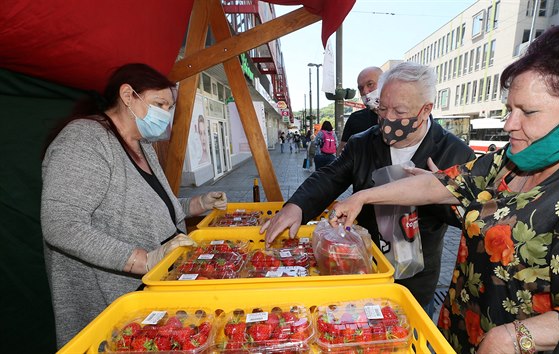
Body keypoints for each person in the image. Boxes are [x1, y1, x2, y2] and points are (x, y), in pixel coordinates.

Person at [330, 17, 559, 353]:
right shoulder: (511, 159)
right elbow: (439, 186)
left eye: (528, 112)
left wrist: (515, 336)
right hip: (462, 329)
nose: (509, 124)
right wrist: (364, 198)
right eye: (509, 109)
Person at [261, 62, 475, 315]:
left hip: (416, 281)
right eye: (382, 109)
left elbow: (472, 215)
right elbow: (329, 177)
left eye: (399, 111)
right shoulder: (362, 143)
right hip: (363, 267)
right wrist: (297, 206)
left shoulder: (454, 152)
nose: (388, 120)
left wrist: (438, 191)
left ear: (426, 109)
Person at [40, 63, 229, 347]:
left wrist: (198, 203)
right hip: (110, 299)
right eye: (159, 104)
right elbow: (60, 223)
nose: (165, 114)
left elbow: (152, 207)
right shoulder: (84, 139)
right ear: (128, 96)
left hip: (150, 293)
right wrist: (144, 259)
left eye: (168, 107)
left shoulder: (142, 146)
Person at [337, 66, 383, 155]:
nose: (365, 91)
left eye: (370, 84)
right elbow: (341, 153)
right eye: (361, 88)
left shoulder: (404, 116)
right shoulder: (355, 118)